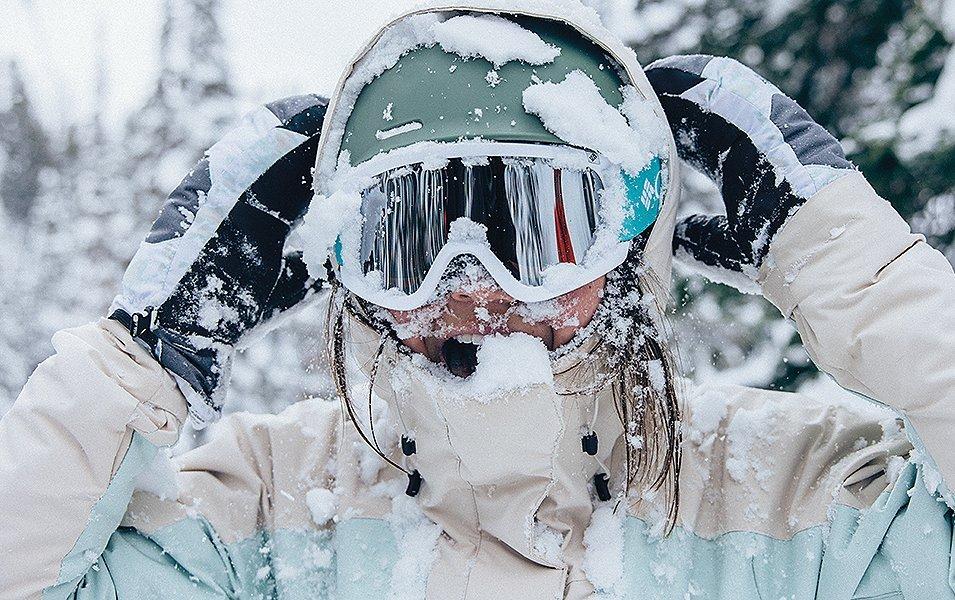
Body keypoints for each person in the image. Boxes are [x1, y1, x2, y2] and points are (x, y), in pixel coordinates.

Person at [1, 1, 953, 599]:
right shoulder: (257, 515)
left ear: (633, 242)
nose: (476, 286)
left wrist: (863, 281)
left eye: (543, 225)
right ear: (341, 260)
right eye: (408, 235)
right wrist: (142, 351)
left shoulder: (802, 501)